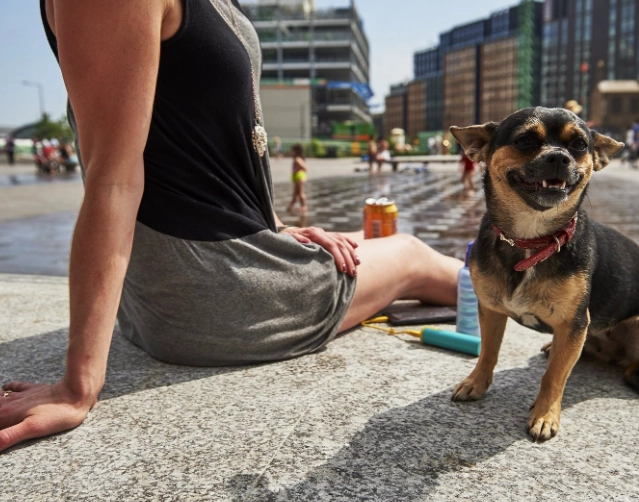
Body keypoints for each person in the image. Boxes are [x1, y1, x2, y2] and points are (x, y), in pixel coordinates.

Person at [0, 0, 461, 453]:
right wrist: (78, 386)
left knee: (371, 238)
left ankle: (525, 280)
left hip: (208, 270)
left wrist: (278, 226)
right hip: (213, 290)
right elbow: (114, 181)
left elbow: (202, 145)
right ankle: (529, 292)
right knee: (410, 253)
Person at [286, 143, 307, 214]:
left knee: (300, 193)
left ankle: (304, 206)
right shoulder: (296, 159)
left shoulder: (298, 159)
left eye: (292, 151)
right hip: (297, 178)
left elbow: (305, 168)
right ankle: (290, 206)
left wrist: (297, 170)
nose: (291, 152)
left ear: (296, 151)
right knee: (295, 194)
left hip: (299, 178)